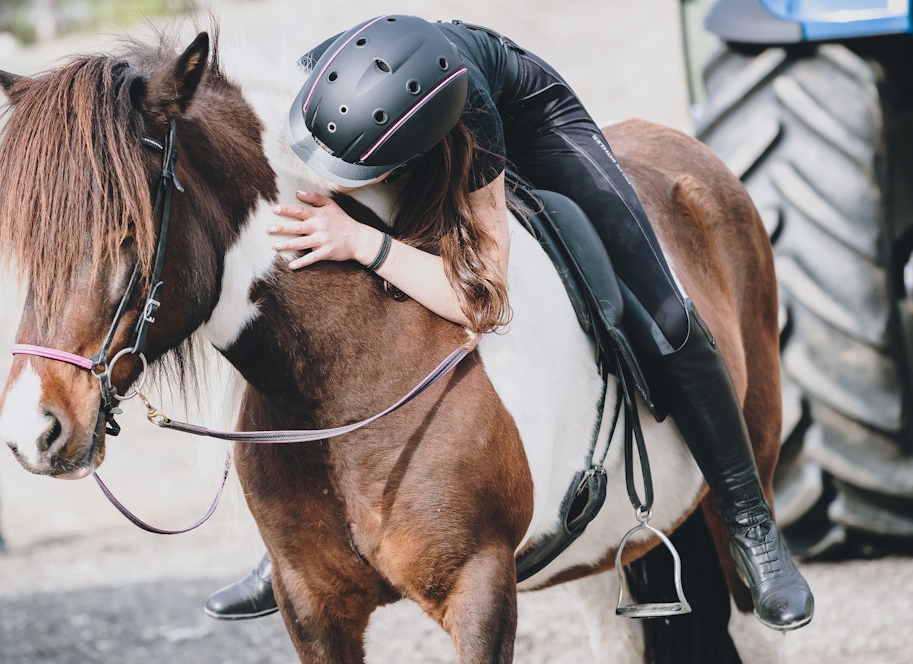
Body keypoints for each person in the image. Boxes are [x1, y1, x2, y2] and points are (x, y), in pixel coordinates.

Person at [204, 15, 814, 631]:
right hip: (395, 125)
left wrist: (367, 243)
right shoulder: (316, 76)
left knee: (667, 315)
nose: (333, 182)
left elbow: (482, 301)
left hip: (534, 122)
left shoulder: (475, 131)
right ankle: (292, 545)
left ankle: (751, 526)